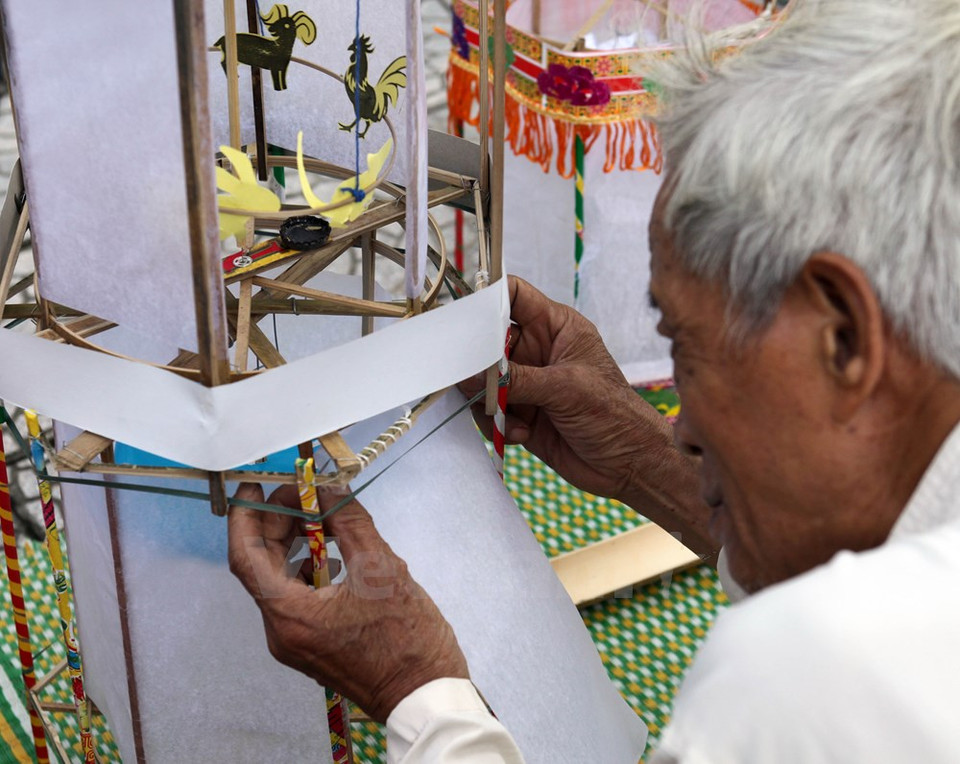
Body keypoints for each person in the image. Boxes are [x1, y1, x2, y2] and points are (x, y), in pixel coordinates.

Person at [228, 0, 960, 760]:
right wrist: (646, 462)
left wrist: (421, 694)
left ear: (843, 336)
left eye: (686, 346)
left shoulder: (804, 680)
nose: (684, 426)